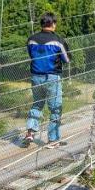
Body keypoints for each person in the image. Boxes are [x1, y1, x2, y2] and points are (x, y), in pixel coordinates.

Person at [24, 12, 70, 147]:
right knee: (55, 108)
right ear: (53, 24)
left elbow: (31, 55)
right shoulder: (58, 40)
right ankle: (53, 139)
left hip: (35, 77)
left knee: (37, 104)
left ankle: (30, 133)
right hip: (52, 77)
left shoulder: (31, 39)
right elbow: (67, 59)